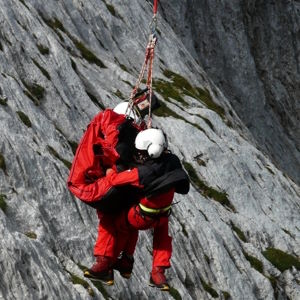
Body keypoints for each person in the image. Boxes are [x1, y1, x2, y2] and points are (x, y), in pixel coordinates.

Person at [84, 129, 190, 291]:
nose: (138, 155)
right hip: (162, 215)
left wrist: (110, 171)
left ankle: (104, 264)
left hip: (141, 217)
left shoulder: (143, 173)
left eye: (141, 152)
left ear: (151, 151)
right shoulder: (172, 161)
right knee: (161, 238)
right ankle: (157, 272)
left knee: (111, 220)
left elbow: (115, 180)